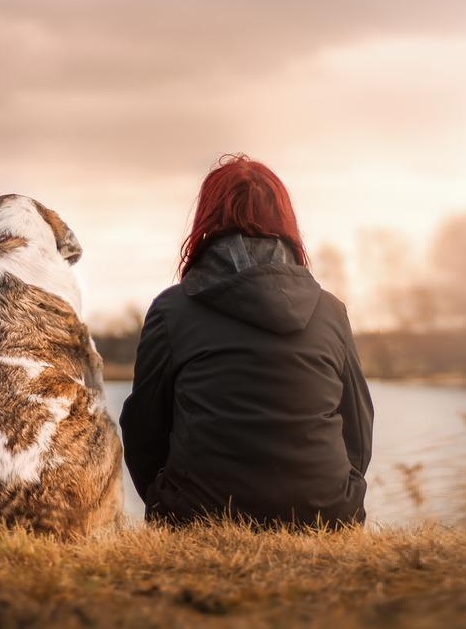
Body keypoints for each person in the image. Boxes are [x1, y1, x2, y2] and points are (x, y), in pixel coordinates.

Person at [119, 154, 374, 529]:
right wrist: (339, 494)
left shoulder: (172, 310)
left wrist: (165, 500)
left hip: (198, 516)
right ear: (285, 221)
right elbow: (358, 426)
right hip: (325, 515)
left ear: (207, 220)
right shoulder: (330, 311)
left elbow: (143, 428)